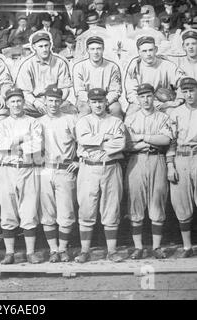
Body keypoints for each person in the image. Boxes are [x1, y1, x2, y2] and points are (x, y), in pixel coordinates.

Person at [75, 88, 126, 263]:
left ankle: (112, 251)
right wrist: (106, 138)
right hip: (88, 168)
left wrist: (95, 142)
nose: (98, 105)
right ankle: (84, 251)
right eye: (94, 101)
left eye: (101, 101)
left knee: (112, 209)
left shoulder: (116, 121)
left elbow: (120, 144)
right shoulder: (83, 121)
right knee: (86, 209)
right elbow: (83, 140)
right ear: (89, 103)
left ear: (106, 102)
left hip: (111, 167)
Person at [0, 87, 43, 265]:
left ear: (24, 102)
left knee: (29, 210)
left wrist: (14, 143)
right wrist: (23, 139)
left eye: (18, 101)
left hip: (28, 168)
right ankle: (9, 253)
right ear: (7, 104)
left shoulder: (33, 122)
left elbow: (36, 146)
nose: (16, 104)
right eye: (12, 101)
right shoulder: (1, 124)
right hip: (7, 168)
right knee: (8, 211)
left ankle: (30, 252)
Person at [124, 83, 173, 260]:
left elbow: (166, 139)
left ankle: (157, 247)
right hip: (136, 160)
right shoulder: (130, 118)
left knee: (157, 201)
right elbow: (127, 144)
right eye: (142, 96)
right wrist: (148, 142)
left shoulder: (162, 117)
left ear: (154, 97)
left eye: (149, 96)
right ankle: (138, 247)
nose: (146, 100)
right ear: (138, 99)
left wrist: (143, 137)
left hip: (157, 159)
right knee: (135, 203)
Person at [39, 86, 78, 263]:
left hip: (65, 168)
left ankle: (63, 249)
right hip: (45, 168)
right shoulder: (38, 121)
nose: (53, 104)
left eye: (56, 100)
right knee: (47, 213)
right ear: (45, 101)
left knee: (66, 212)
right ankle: (53, 249)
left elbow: (83, 143)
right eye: (50, 100)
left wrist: (79, 160)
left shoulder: (70, 119)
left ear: (61, 102)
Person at [167, 77, 197, 259]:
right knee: (181, 203)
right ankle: (187, 247)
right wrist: (170, 165)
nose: (189, 94)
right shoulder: (175, 113)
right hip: (181, 157)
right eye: (185, 91)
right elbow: (171, 142)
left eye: (192, 90)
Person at [124, 36, 186, 115]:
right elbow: (131, 94)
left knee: (173, 113)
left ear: (156, 49)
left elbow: (184, 82)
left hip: (165, 103)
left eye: (151, 50)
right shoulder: (134, 68)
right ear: (139, 52)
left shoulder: (167, 65)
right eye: (144, 51)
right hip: (143, 103)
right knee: (131, 113)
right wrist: (152, 104)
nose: (148, 54)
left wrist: (179, 99)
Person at [16, 32, 73, 117]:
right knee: (20, 110)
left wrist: (55, 102)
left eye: (46, 45)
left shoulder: (60, 62)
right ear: (34, 47)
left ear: (50, 45)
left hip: (55, 100)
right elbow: (25, 91)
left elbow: (65, 88)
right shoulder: (27, 64)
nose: (44, 49)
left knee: (72, 110)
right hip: (35, 102)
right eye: (40, 46)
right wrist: (36, 102)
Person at [72, 36, 123, 119]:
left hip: (107, 100)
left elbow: (115, 90)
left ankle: (115, 131)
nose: (95, 52)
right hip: (87, 100)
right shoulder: (79, 67)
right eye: (92, 49)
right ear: (87, 50)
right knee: (84, 110)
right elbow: (79, 91)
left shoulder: (113, 67)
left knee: (116, 109)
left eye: (98, 49)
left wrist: (104, 102)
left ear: (103, 49)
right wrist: (93, 103)